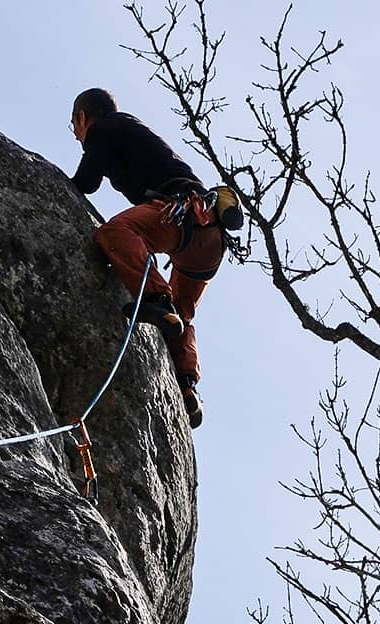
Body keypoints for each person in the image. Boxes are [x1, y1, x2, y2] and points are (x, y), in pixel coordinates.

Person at [69, 87, 223, 430]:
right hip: (210, 234)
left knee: (114, 234)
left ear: (82, 117)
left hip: (178, 215)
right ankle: (187, 385)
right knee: (182, 313)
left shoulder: (104, 129)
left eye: (75, 127)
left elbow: (86, 182)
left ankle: (156, 299)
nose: (78, 136)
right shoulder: (131, 130)